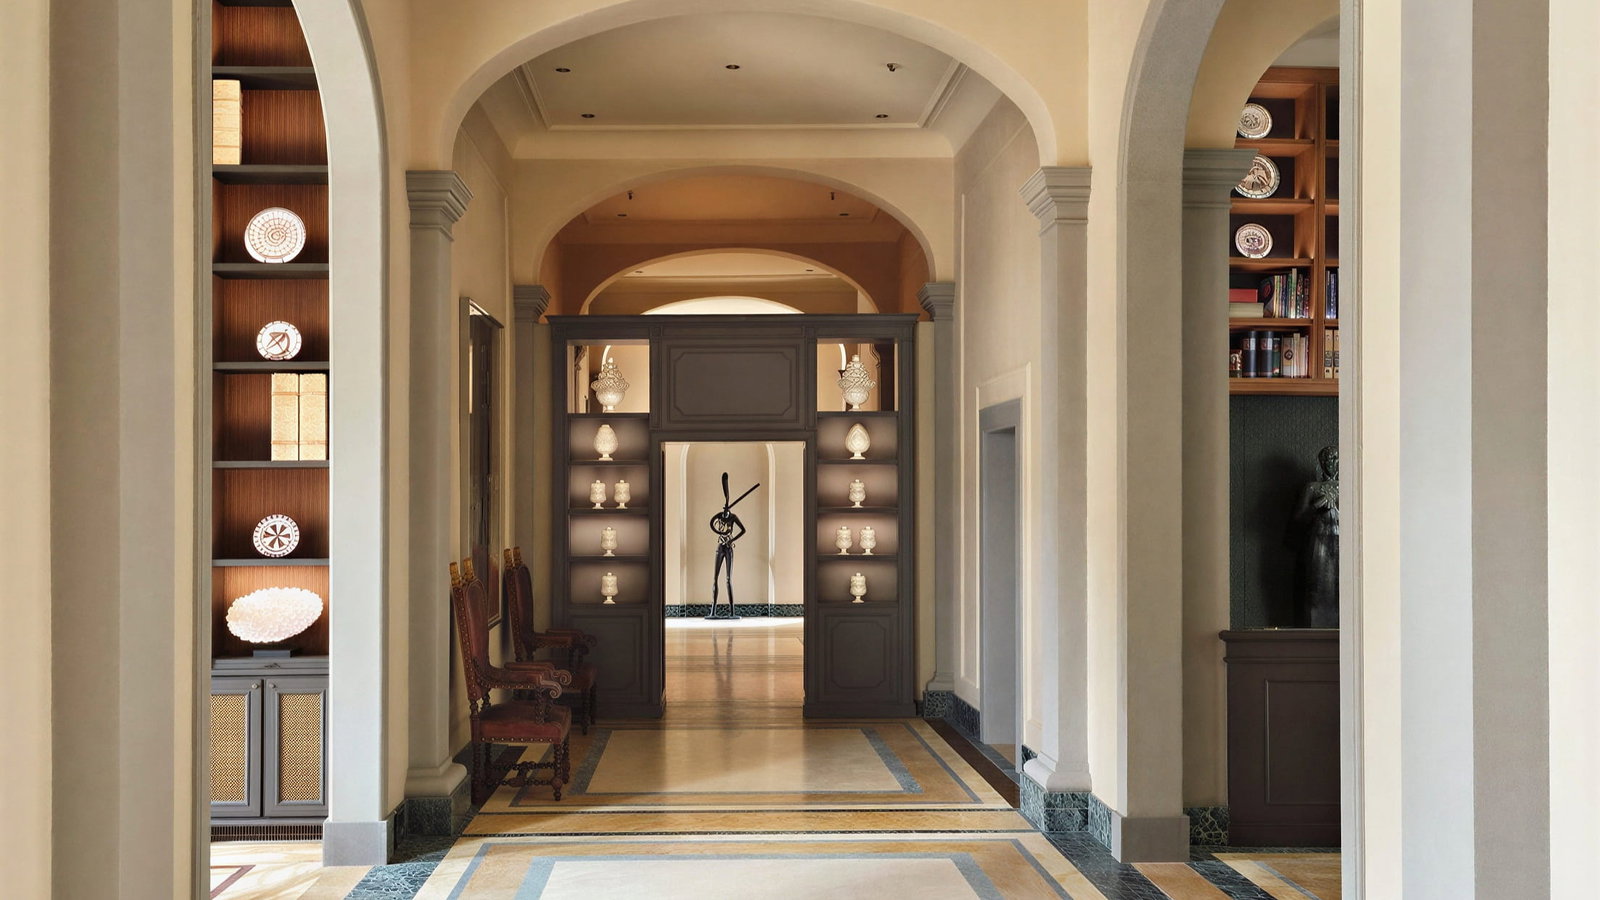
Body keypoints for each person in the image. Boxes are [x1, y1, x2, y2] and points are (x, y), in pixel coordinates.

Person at [1290, 445, 1339, 628]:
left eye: (1335, 459)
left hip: (1341, 542)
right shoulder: (1312, 487)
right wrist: (1317, 506)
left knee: (1341, 586)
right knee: (1317, 586)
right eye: (1327, 459)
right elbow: (1298, 518)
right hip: (1318, 541)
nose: (1331, 463)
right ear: (1320, 462)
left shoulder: (1347, 487)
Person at [708, 473, 759, 620]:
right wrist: (721, 516)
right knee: (715, 578)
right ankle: (713, 611)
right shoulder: (720, 516)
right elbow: (712, 523)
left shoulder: (733, 517)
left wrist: (732, 540)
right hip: (720, 547)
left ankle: (732, 612)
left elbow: (743, 530)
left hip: (729, 548)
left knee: (729, 579)